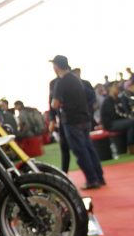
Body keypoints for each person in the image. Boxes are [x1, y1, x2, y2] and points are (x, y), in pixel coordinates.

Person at [50, 55, 106, 189]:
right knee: (89, 148)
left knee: (80, 151)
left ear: (56, 66)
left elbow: (55, 104)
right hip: (84, 118)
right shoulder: (76, 79)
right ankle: (99, 177)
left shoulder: (60, 83)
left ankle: (92, 180)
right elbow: (90, 95)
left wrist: (57, 104)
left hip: (71, 120)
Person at [100, 83, 134, 154]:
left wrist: (129, 115)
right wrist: (128, 117)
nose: (117, 88)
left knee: (131, 121)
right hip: (110, 124)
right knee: (132, 123)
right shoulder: (108, 100)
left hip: (117, 121)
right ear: (110, 89)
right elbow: (114, 115)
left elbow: (124, 111)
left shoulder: (118, 99)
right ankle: (131, 147)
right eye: (115, 87)